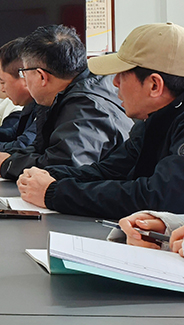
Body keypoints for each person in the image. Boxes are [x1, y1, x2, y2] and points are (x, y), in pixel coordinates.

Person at [18, 22, 184, 219]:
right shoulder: (152, 120)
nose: (115, 82)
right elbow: (109, 170)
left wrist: (54, 193)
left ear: (154, 85)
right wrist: (49, 175)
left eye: (122, 75)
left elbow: (158, 197)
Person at [0, 25, 131, 179]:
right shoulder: (63, 96)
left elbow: (65, 166)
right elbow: (42, 149)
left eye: (24, 73)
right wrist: (5, 158)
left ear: (41, 76)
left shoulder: (86, 107)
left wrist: (8, 165)